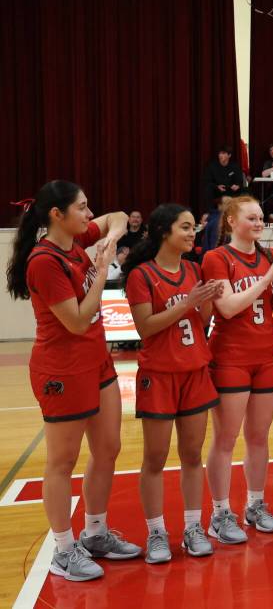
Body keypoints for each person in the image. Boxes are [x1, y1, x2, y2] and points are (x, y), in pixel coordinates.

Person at [5, 182, 139, 582]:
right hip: (61, 371)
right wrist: (101, 267)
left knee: (108, 448)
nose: (88, 213)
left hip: (95, 362)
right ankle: (64, 549)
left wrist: (111, 237)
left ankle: (95, 532)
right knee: (62, 461)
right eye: (81, 208)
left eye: (87, 207)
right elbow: (78, 320)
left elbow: (117, 216)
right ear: (55, 215)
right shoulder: (43, 262)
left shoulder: (78, 239)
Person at [123, 204, 223, 563]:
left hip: (196, 371)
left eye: (193, 227)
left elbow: (204, 321)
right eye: (185, 227)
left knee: (193, 455)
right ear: (164, 231)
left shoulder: (195, 269)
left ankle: (194, 527)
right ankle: (156, 533)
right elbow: (145, 328)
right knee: (155, 458)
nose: (192, 232)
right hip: (159, 375)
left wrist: (206, 302)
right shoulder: (141, 276)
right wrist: (190, 303)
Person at [202, 196, 273, 543]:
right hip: (230, 357)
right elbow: (226, 307)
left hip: (266, 355)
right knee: (226, 439)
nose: (259, 223)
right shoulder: (216, 258)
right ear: (231, 222)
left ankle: (256, 504)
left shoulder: (269, 257)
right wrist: (269, 274)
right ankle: (221, 512)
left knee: (258, 438)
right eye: (251, 218)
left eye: (261, 218)